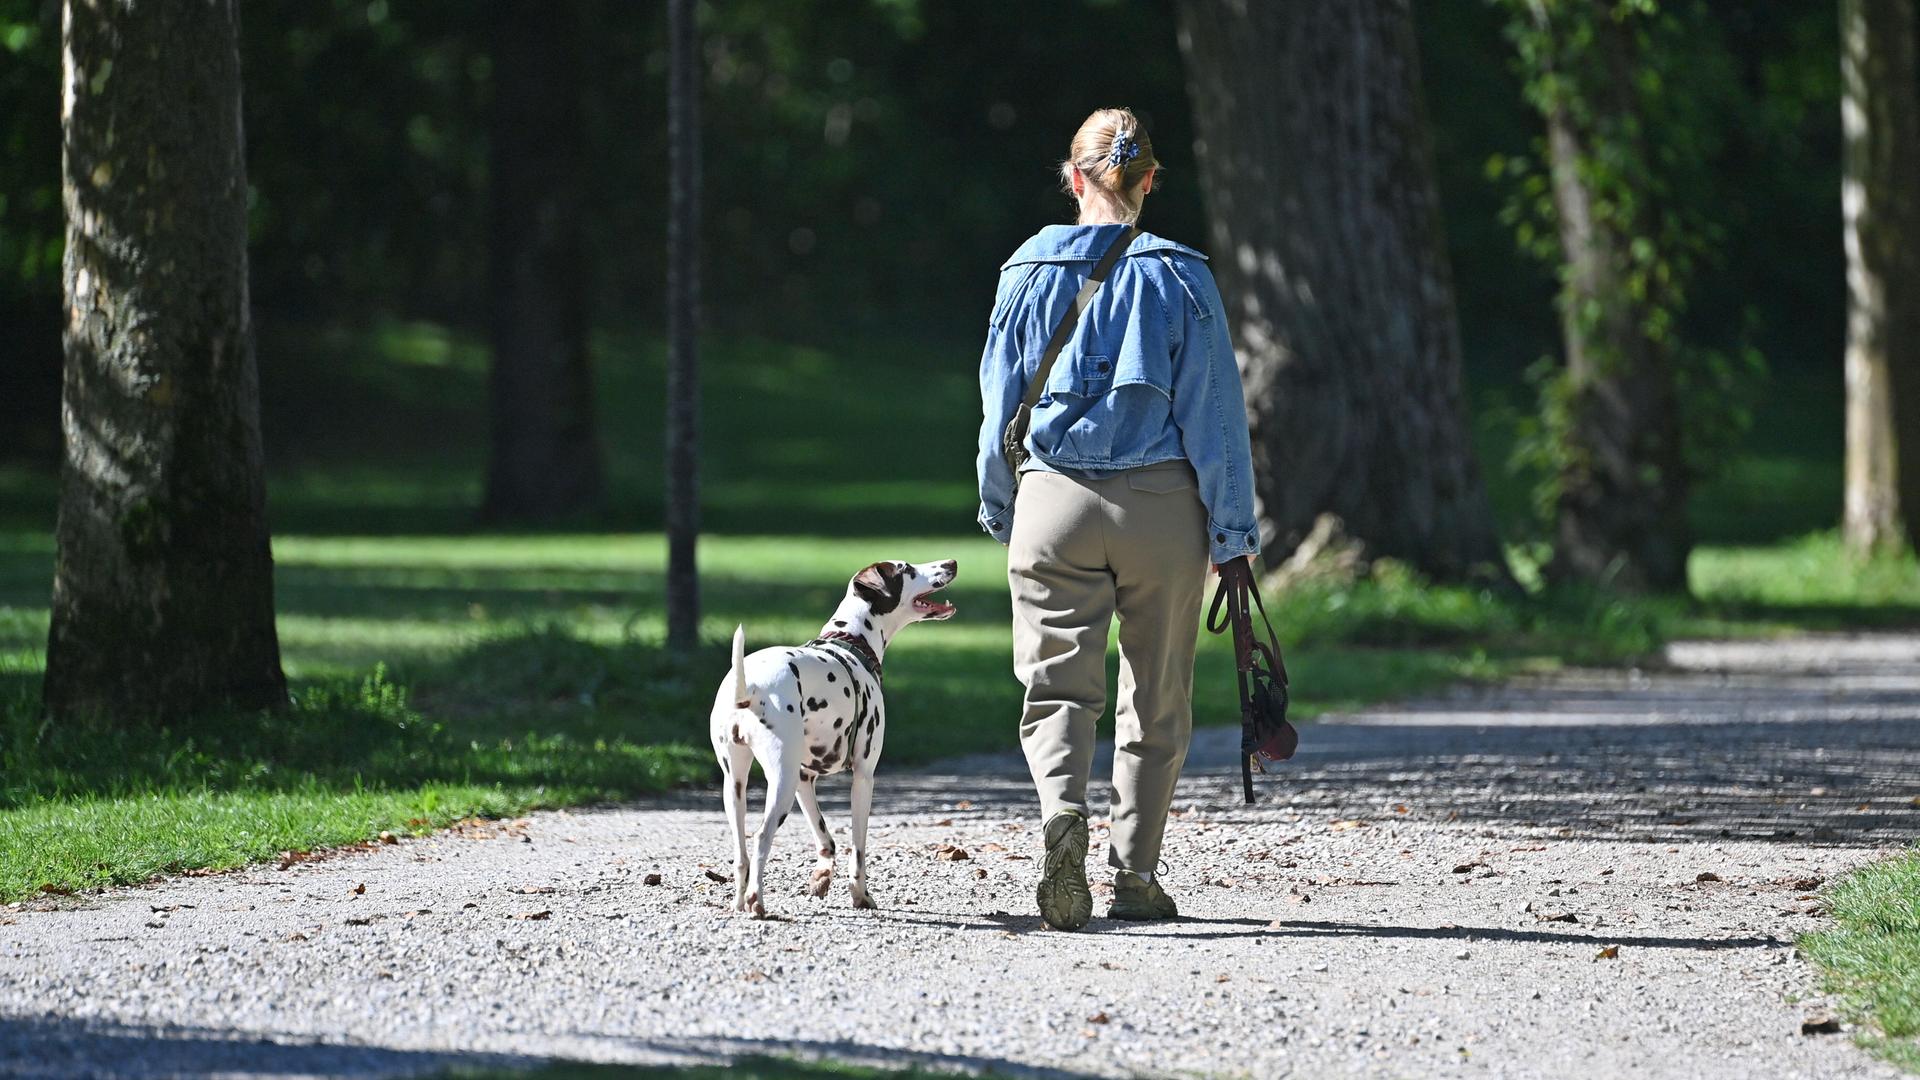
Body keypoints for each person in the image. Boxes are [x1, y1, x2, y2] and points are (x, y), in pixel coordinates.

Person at [975, 107, 1259, 930]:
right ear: (1148, 183)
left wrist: (1005, 504)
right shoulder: (1181, 277)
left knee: (1056, 685)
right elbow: (1216, 418)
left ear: (1073, 178)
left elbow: (999, 405)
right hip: (1161, 508)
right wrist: (1232, 536)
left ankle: (1061, 818)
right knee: (1155, 696)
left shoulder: (1022, 271)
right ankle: (1133, 875)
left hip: (1052, 501)